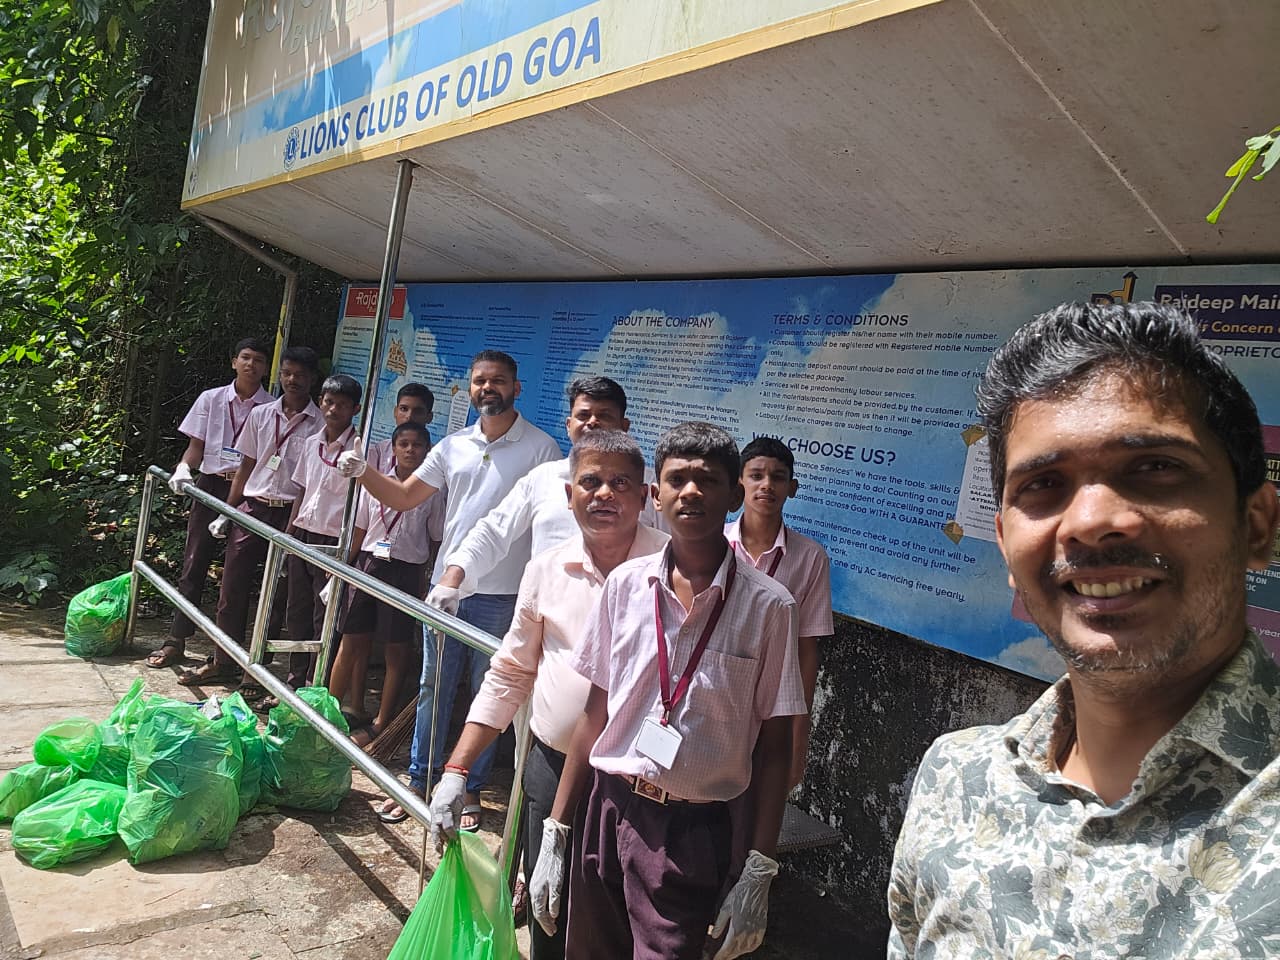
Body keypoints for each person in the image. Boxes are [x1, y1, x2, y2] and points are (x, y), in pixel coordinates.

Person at [887, 302, 1280, 958]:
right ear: (1008, 548)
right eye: (1044, 484)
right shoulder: (954, 780)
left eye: (1155, 467)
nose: (1091, 521)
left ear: (1258, 525)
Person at [531, 422, 806, 960]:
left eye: (708, 480)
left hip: (696, 829)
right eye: (677, 479)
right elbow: (596, 714)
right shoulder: (625, 586)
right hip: (607, 809)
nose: (692, 492)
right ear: (656, 496)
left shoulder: (771, 607)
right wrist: (557, 829)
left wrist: (759, 868)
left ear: (734, 494)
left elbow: (774, 747)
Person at [429, 430, 669, 960]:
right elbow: (511, 672)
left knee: (624, 921)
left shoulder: (673, 571)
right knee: (550, 910)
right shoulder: (545, 570)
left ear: (646, 496)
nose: (603, 493)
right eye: (590, 482)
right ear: (568, 495)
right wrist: (456, 770)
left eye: (619, 483)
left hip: (642, 785)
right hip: (552, 766)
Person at [337, 349, 561, 827]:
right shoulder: (453, 446)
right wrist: (364, 472)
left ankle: (471, 789)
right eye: (480, 380)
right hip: (447, 589)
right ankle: (418, 781)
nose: (488, 388)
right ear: (470, 387)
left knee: (489, 693)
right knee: (433, 686)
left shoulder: (541, 449)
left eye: (498, 380)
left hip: (504, 595)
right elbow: (404, 495)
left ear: (516, 388)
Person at [428, 376, 657, 611]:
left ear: (624, 427)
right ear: (569, 425)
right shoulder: (543, 478)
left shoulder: (649, 485)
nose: (592, 423)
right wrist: (454, 574)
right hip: (547, 626)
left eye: (604, 416)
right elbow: (494, 530)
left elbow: (674, 551)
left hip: (625, 622)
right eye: (583, 415)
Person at [179, 346, 322, 689]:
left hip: (290, 513)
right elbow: (246, 465)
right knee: (232, 587)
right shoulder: (261, 415)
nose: (292, 380)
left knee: (276, 595)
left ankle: (256, 669)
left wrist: (296, 525)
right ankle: (222, 660)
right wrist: (228, 511)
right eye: (287, 373)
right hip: (252, 507)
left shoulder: (319, 424)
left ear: (312, 379)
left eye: (300, 375)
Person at [148, 337, 272, 668]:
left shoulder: (271, 408)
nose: (251, 364)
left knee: (237, 572)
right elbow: (195, 445)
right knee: (194, 560)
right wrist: (184, 468)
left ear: (266, 367)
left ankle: (226, 652)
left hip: (247, 492)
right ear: (234, 361)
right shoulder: (211, 399)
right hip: (210, 485)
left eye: (258, 360)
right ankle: (176, 639)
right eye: (245, 357)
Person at [329, 420, 444, 744]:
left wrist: (429, 579)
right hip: (368, 565)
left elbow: (435, 538)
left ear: (427, 451)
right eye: (403, 444)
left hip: (406, 570)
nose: (410, 450)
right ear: (393, 449)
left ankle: (381, 722)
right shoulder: (374, 482)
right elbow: (361, 530)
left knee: (396, 647)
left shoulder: (432, 491)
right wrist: (345, 565)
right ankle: (330, 711)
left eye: (417, 445)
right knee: (350, 639)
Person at [727, 436, 832, 788]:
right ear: (739, 482)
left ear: (793, 488)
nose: (767, 485)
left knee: (758, 808)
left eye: (778, 476)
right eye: (756, 475)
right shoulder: (715, 546)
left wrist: (798, 734)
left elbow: (806, 650)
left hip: (773, 703)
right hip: (719, 692)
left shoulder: (809, 557)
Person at [274, 373, 362, 696]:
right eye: (328, 402)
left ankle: (315, 683)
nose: (333, 409)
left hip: (333, 541)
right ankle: (295, 677)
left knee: (323, 614)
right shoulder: (312, 443)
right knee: (296, 610)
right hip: (303, 535)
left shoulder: (358, 452)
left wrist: (345, 551)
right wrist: (289, 533)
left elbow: (359, 506)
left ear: (355, 408)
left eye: (341, 404)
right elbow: (301, 490)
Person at [369, 382, 434, 472]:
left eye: (418, 411)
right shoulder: (378, 452)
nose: (409, 416)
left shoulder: (438, 458)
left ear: (429, 417)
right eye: (404, 409)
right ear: (395, 412)